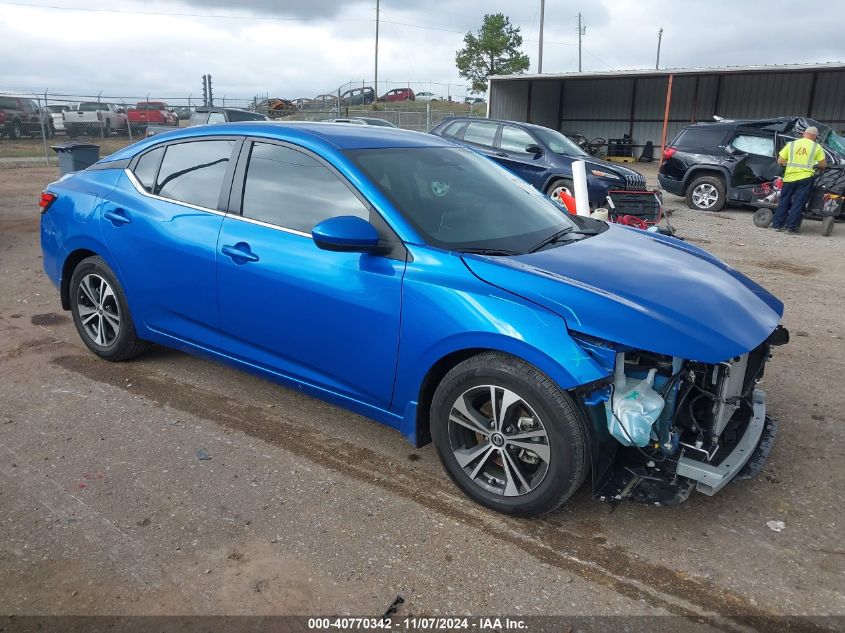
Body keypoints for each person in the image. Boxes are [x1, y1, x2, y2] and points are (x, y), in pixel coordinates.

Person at [771, 126, 826, 234]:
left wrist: (791, 164)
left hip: (789, 177)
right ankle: (790, 228)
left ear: (804, 134)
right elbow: (822, 164)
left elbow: (780, 161)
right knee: (798, 203)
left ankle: (776, 225)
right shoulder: (817, 147)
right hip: (805, 178)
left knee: (784, 201)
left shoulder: (791, 144)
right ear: (815, 137)